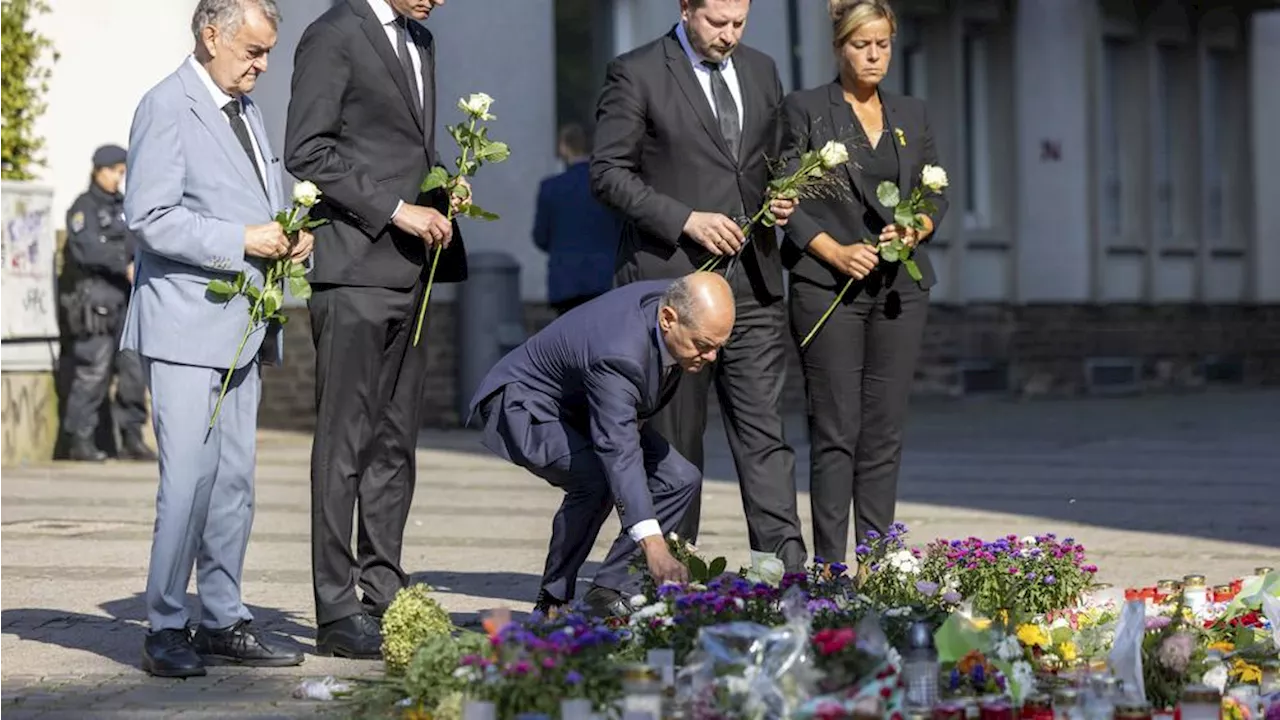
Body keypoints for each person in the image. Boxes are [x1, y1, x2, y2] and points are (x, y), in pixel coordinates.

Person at [590, 0, 807, 586]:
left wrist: (783, 193)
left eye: (739, 22)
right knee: (675, 446)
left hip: (755, 284)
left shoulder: (762, 70)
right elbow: (607, 173)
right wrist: (684, 218)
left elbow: (779, 153)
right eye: (717, 22)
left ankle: (783, 578)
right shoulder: (636, 72)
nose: (729, 35)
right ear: (686, 9)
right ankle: (666, 582)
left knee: (765, 435)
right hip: (675, 289)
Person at [122, 0, 310, 677]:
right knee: (190, 481)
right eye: (253, 51)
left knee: (234, 482)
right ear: (211, 35)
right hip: (182, 323)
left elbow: (249, 203)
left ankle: (222, 618)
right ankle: (165, 625)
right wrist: (242, 240)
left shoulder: (248, 110)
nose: (263, 65)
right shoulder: (166, 105)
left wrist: (287, 234)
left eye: (267, 53)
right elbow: (149, 215)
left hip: (243, 324)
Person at [285, 0, 466, 660]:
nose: (441, 2)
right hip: (355, 271)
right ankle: (335, 609)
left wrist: (444, 185)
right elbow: (305, 149)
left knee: (395, 443)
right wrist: (396, 210)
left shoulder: (420, 39)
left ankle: (382, 588)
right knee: (345, 444)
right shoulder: (333, 34)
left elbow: (403, 148)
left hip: (412, 273)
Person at [778, 0, 948, 565]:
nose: (873, 55)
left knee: (883, 432)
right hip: (828, 289)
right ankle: (829, 567)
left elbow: (935, 190)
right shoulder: (805, 109)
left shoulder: (912, 112)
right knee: (836, 429)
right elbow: (779, 192)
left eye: (882, 44)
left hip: (899, 290)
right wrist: (832, 251)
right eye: (861, 44)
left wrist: (917, 227)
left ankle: (876, 563)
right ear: (838, 46)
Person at [468, 272, 735, 617]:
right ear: (668, 319)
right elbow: (620, 453)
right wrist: (653, 544)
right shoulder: (620, 353)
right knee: (594, 480)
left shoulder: (678, 305)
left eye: (718, 346)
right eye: (703, 345)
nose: (712, 357)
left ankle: (609, 591)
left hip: (586, 403)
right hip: (528, 404)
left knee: (680, 477)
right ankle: (553, 601)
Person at [59, 144, 156, 463]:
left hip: (125, 304)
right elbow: (86, 249)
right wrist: (121, 262)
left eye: (122, 173)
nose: (119, 178)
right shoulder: (82, 207)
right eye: (116, 171)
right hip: (95, 303)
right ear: (99, 170)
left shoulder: (126, 207)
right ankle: (80, 440)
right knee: (93, 372)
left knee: (133, 372)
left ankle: (132, 437)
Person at [532, 123, 622, 315]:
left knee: (567, 341)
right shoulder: (608, 185)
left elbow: (540, 237)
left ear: (564, 147)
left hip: (565, 281)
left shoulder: (551, 187)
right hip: (603, 278)